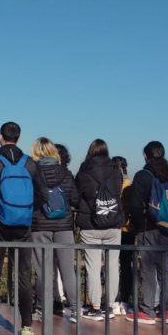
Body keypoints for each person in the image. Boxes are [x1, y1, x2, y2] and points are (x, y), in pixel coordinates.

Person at [0, 121, 38, 335]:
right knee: (24, 276)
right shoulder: (30, 164)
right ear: (19, 138)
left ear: (0, 137)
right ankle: (26, 327)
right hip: (23, 227)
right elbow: (40, 196)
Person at [125, 141, 168, 325]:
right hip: (166, 229)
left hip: (147, 228)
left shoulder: (143, 175)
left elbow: (134, 204)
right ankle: (167, 311)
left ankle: (147, 310)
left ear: (145, 156)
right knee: (165, 270)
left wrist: (138, 224)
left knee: (148, 270)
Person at [29, 138, 80, 324]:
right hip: (64, 226)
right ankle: (75, 309)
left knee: (43, 271)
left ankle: (43, 310)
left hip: (39, 226)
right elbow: (75, 199)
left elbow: (32, 200)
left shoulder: (33, 173)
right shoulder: (65, 173)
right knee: (68, 270)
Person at [76, 140, 125, 320]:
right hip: (113, 223)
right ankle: (110, 305)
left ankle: (95, 307)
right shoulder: (116, 170)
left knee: (93, 267)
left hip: (90, 224)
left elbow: (76, 195)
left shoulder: (84, 171)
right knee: (113, 265)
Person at [112, 156, 135, 313]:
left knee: (112, 264)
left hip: (115, 228)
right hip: (128, 229)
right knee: (126, 265)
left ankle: (113, 298)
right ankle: (125, 299)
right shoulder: (131, 185)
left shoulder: (115, 184)